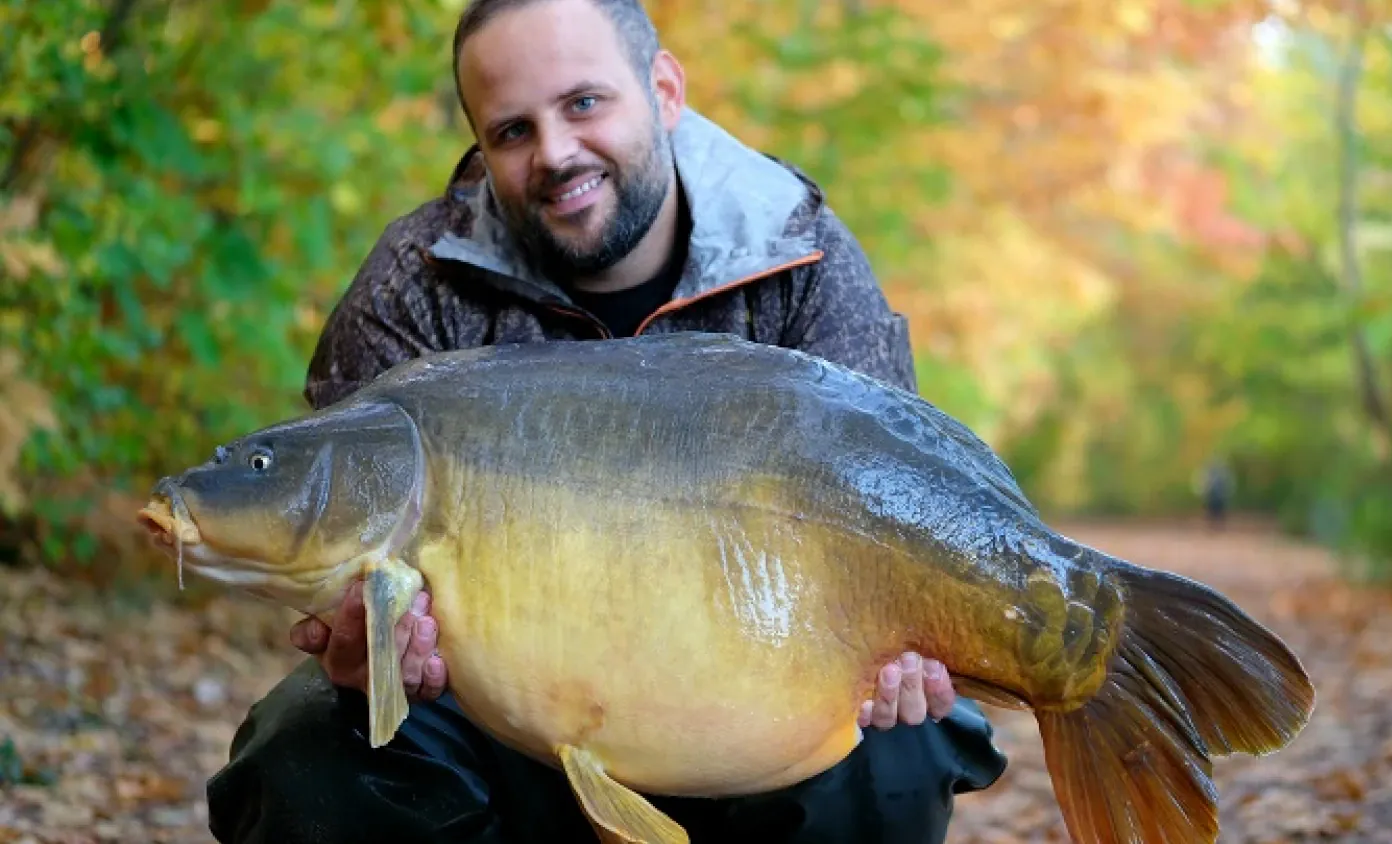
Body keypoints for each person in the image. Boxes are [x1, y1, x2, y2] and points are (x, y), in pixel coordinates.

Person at [205, 0, 1008, 841]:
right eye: (512, 131)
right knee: (303, 750)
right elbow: (351, 558)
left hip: (759, 709)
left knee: (899, 748)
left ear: (664, 90)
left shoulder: (800, 258)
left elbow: (899, 511)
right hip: (498, 718)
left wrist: (913, 647)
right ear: (480, 145)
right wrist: (367, 652)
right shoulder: (416, 285)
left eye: (583, 103)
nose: (554, 152)